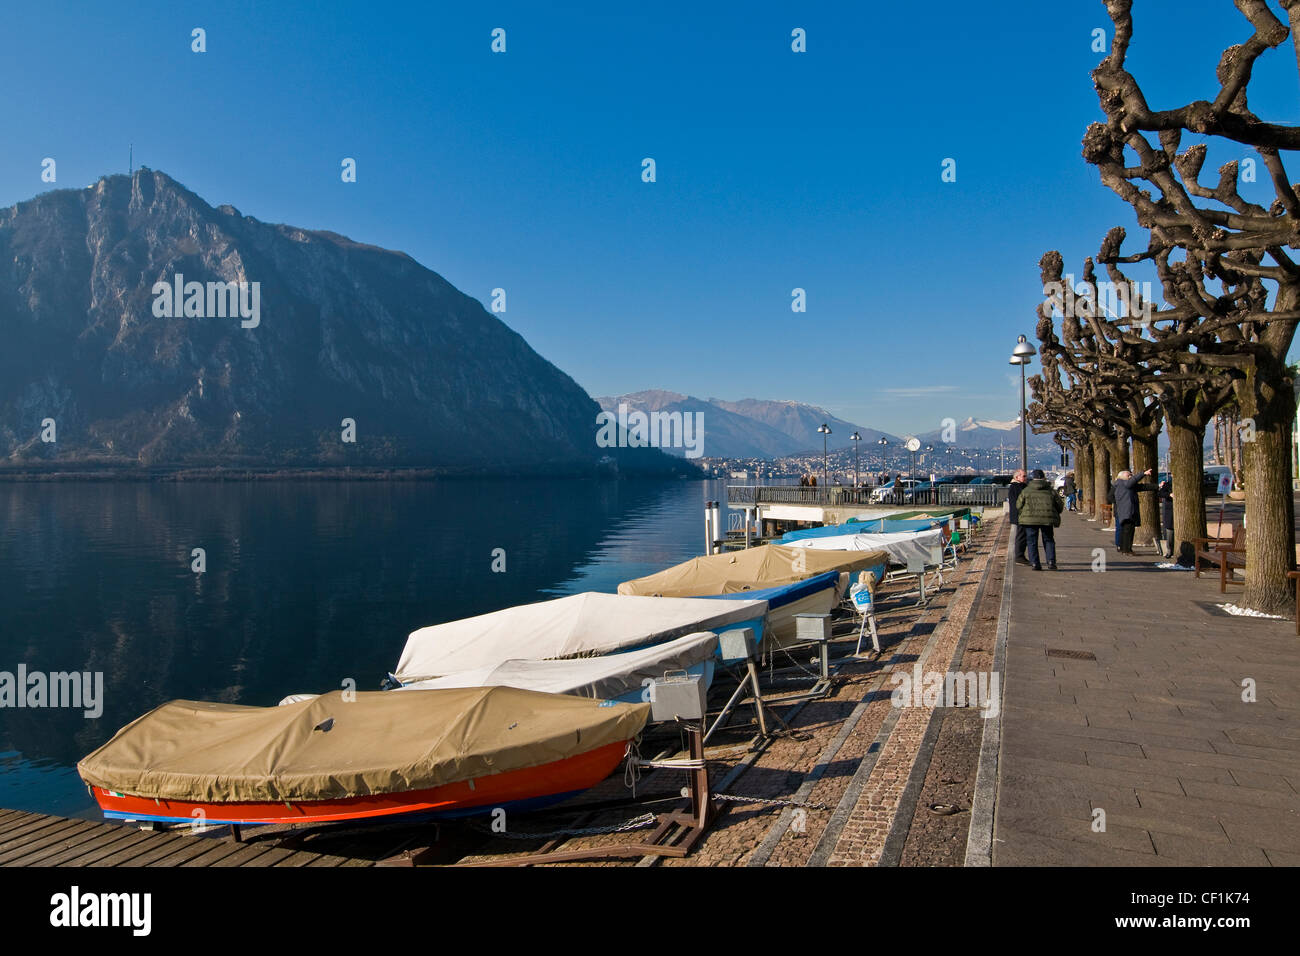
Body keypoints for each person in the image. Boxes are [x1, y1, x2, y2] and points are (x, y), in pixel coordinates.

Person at [1016, 468, 1063, 570]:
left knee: (1032, 541)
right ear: (1043, 478)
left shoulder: (1026, 491)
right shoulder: (1050, 491)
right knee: (1048, 540)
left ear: (1032, 478)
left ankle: (1035, 563)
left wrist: (1024, 513)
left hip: (1030, 520)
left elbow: (1019, 505)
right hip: (1047, 519)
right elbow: (1059, 505)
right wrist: (1055, 512)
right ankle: (1051, 562)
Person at [1112, 468, 1155, 554]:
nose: (1131, 477)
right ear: (1124, 476)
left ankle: (1124, 549)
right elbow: (1134, 480)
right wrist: (1143, 473)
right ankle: (1127, 549)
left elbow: (1142, 487)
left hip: (1124, 511)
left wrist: (1157, 486)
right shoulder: (1124, 483)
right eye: (1129, 475)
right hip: (1127, 512)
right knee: (1128, 531)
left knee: (1126, 531)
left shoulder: (1121, 485)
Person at [1007, 468, 1028, 566]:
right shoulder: (1016, 487)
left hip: (1020, 515)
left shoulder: (1019, 486)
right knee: (1021, 536)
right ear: (1017, 477)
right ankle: (1019, 556)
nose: (1025, 478)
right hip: (1020, 515)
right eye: (1023, 476)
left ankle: (1020, 555)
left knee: (1023, 535)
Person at [1157, 476, 1174, 558]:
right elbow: (1160, 493)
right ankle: (1169, 550)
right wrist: (1169, 494)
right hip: (1170, 510)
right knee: (1170, 531)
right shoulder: (1168, 484)